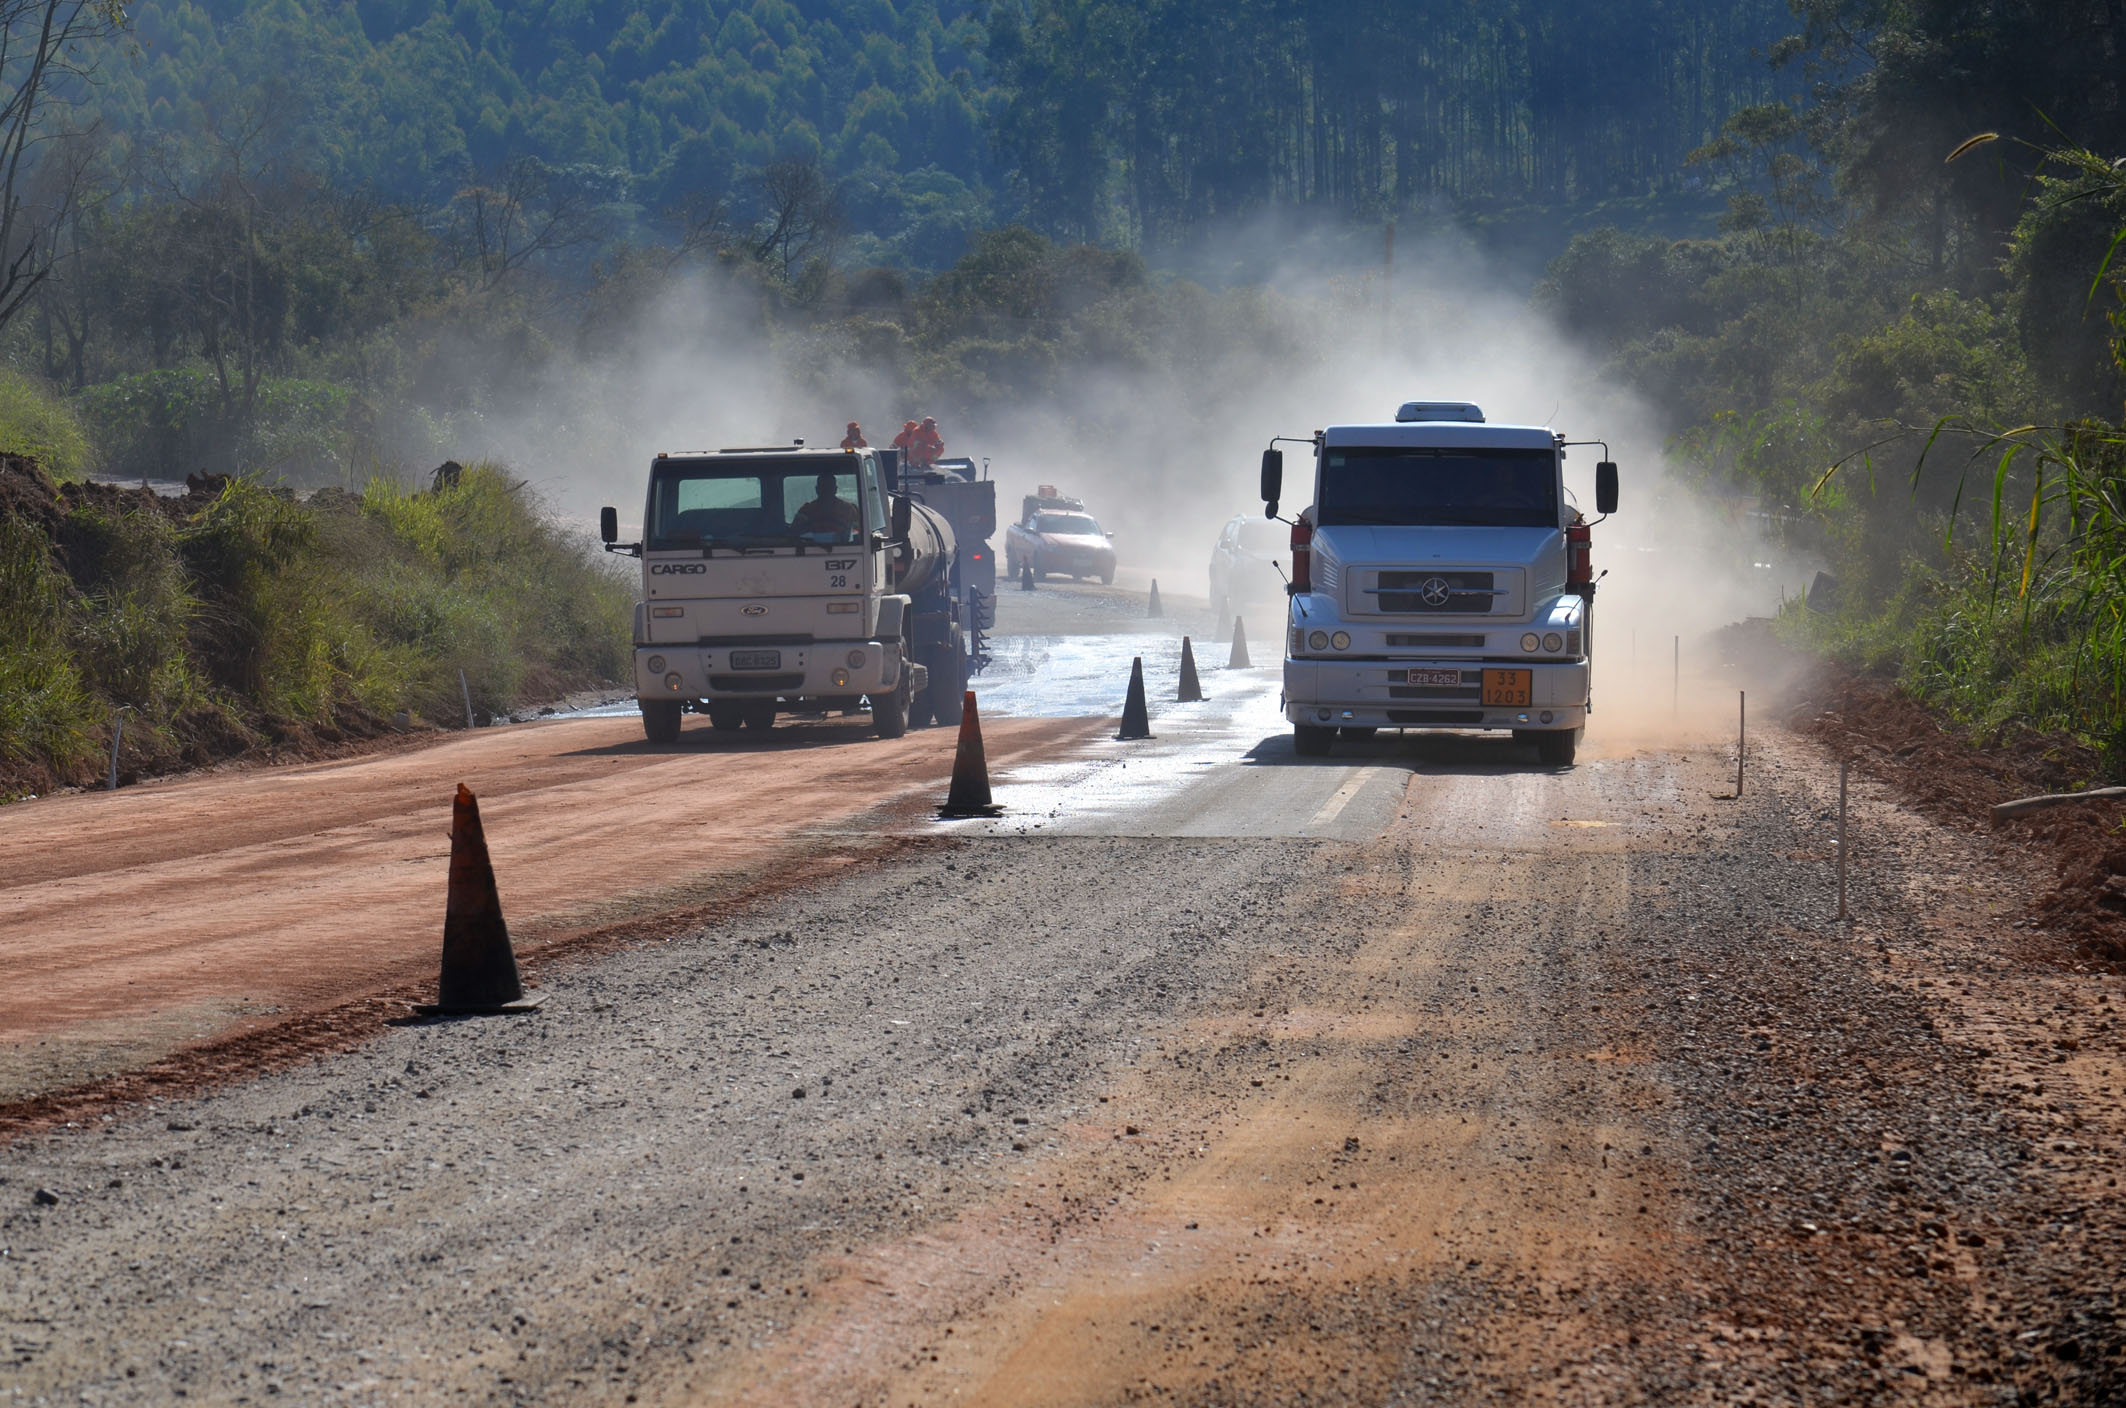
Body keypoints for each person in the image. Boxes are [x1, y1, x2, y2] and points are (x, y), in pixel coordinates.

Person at [791, 472, 860, 538]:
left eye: (829, 487)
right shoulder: (806, 511)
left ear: (835, 489)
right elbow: (794, 535)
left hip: (847, 548)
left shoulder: (849, 509)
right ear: (817, 489)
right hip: (809, 548)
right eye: (823, 487)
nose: (826, 491)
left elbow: (860, 534)